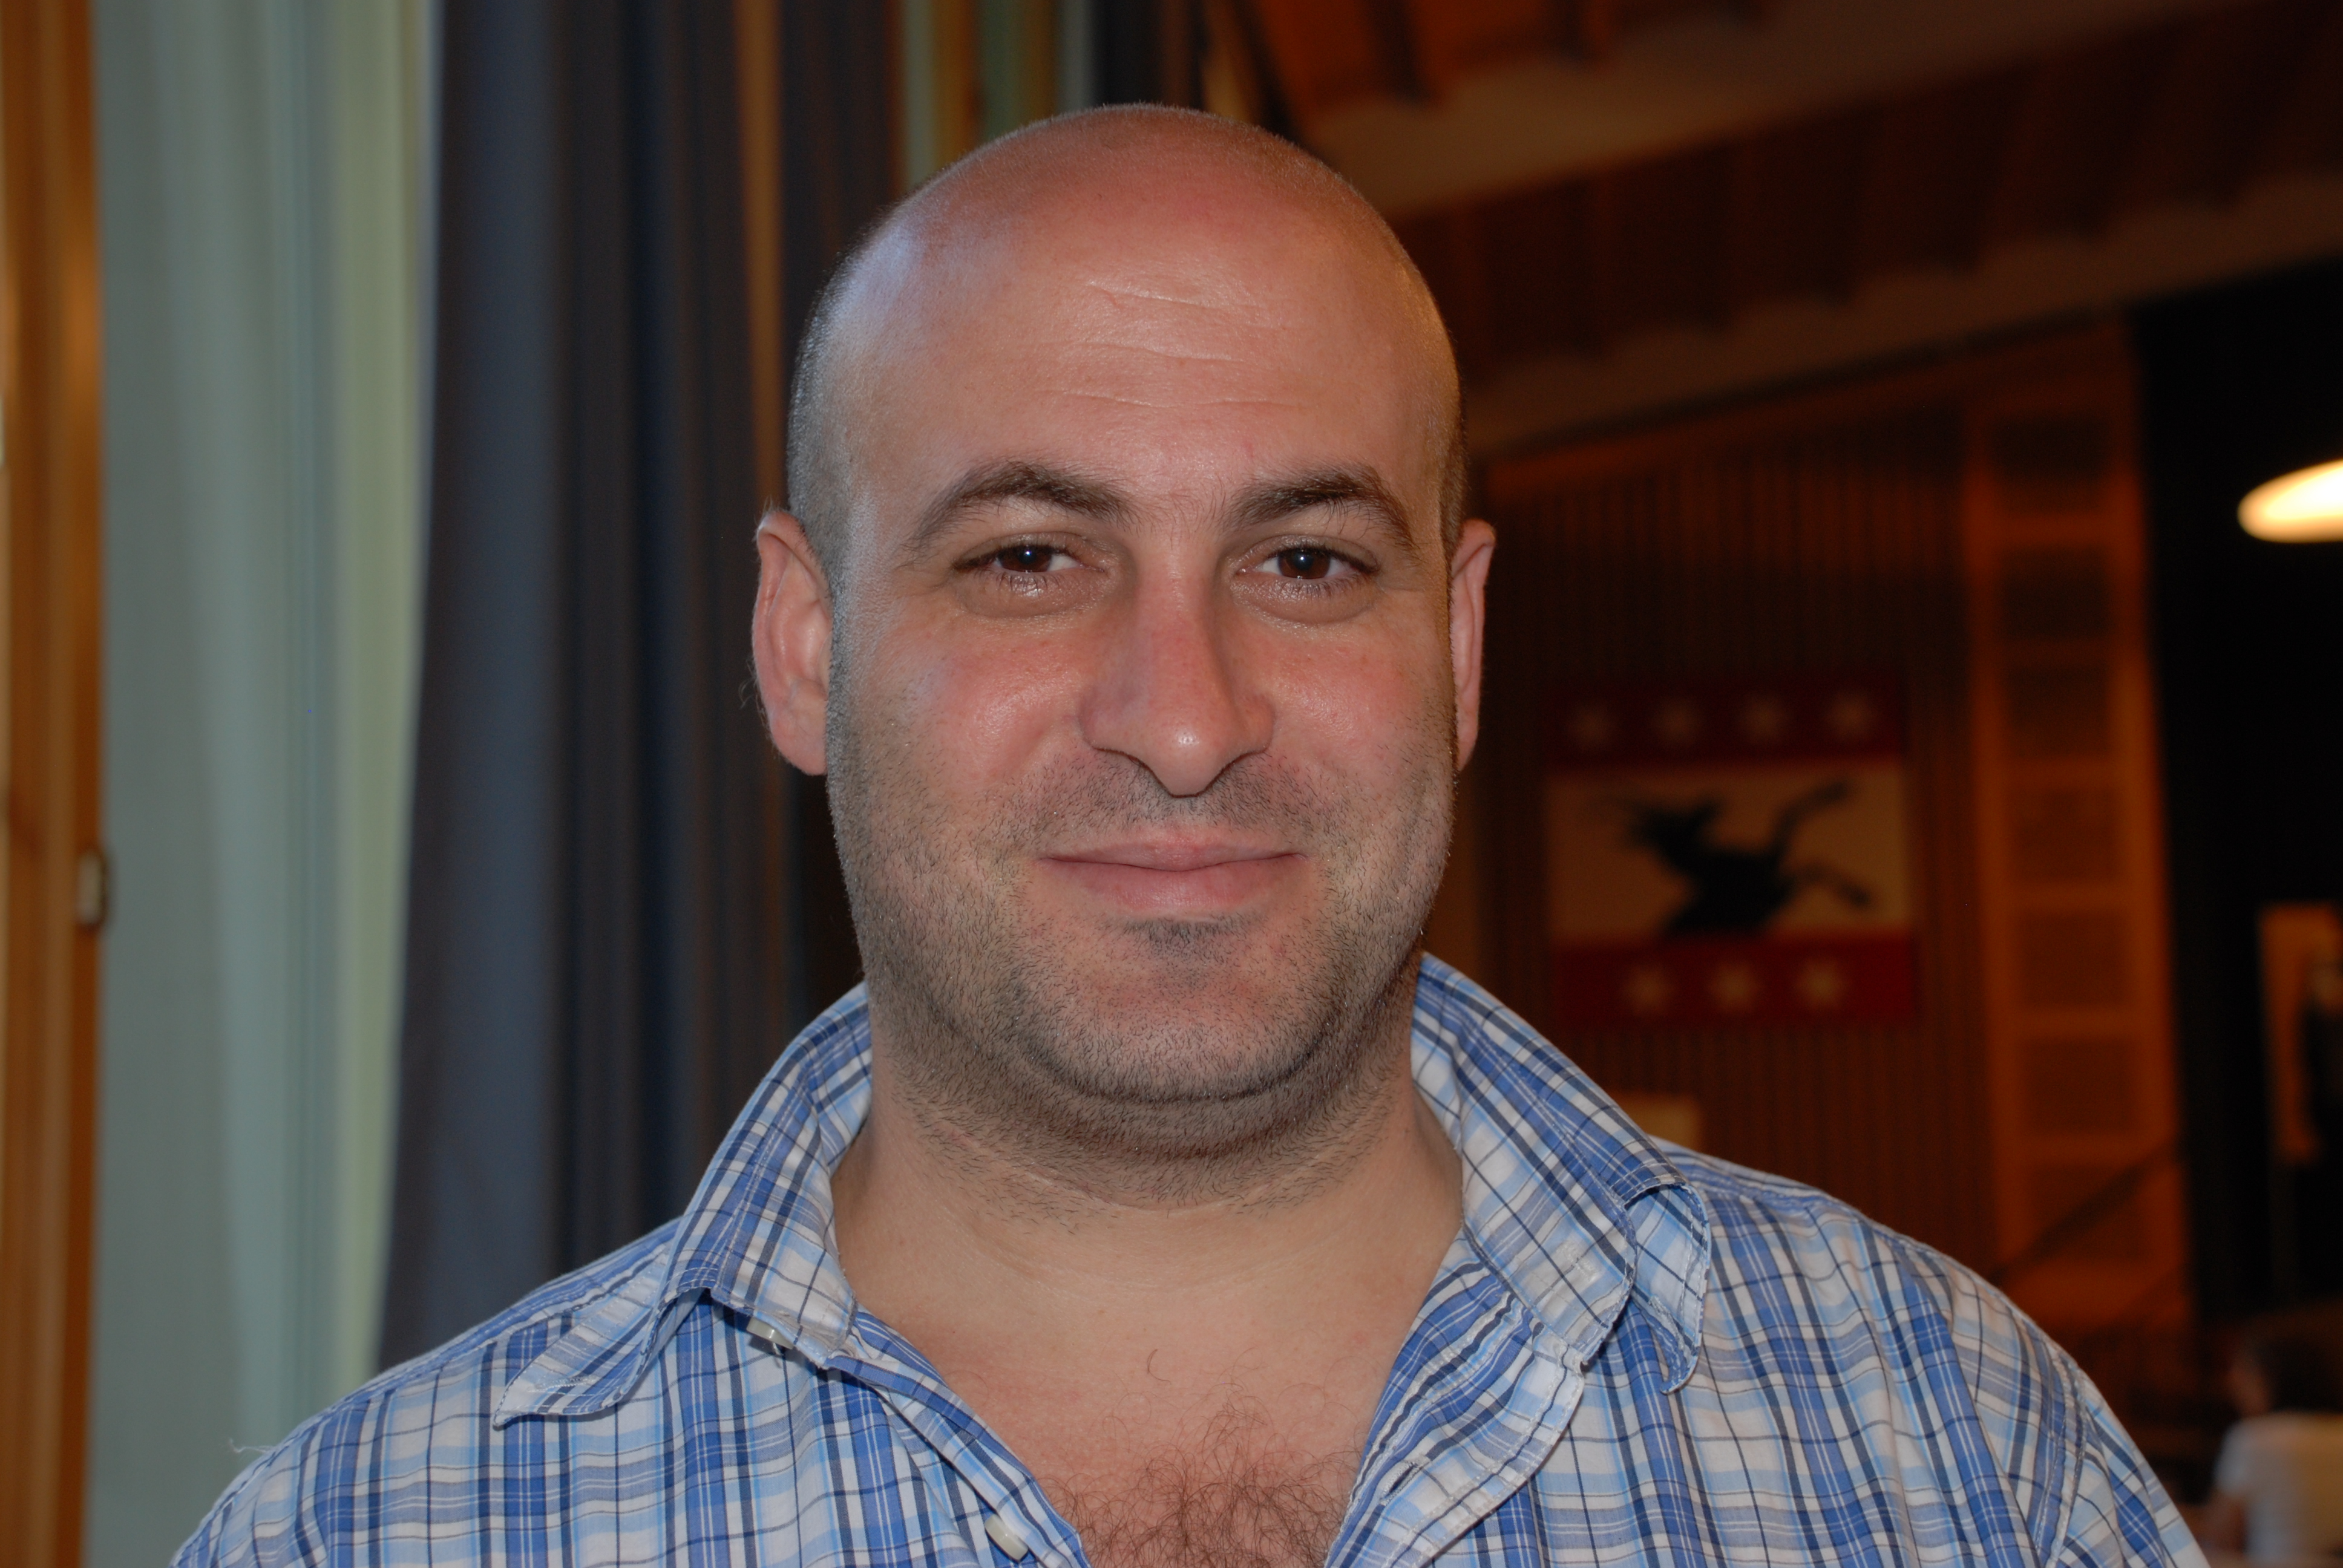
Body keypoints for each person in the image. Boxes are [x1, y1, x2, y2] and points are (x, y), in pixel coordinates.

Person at [177, 105, 2199, 1567]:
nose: (1184, 717)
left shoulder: (1955, 1449)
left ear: (1458, 647)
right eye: (1028, 556)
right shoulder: (378, 1532)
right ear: (805, 648)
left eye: (1307, 560)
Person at [2198, 1315, 2343, 1561]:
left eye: (2243, 1369)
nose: (2233, 1381)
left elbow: (2221, 1538)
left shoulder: (2252, 1439)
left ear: (2271, 1377)